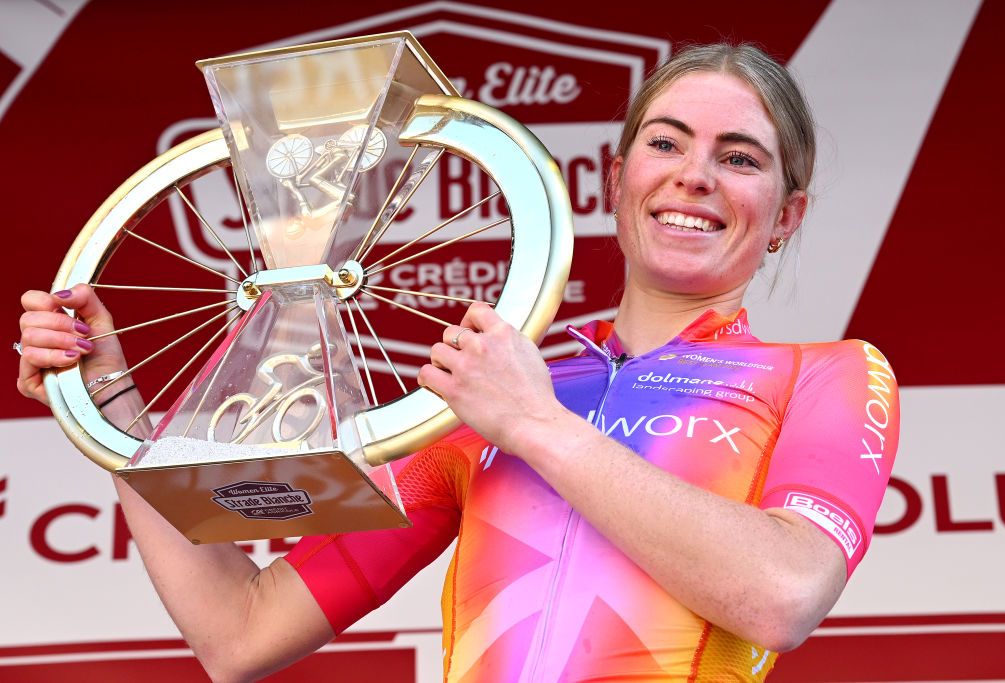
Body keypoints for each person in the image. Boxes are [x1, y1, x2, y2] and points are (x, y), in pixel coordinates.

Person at [17, 42, 898, 681]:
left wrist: (533, 423)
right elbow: (240, 631)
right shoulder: (484, 398)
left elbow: (782, 594)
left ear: (785, 216)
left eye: (739, 158)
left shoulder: (827, 373)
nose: (695, 175)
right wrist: (109, 409)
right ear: (615, 177)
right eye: (667, 144)